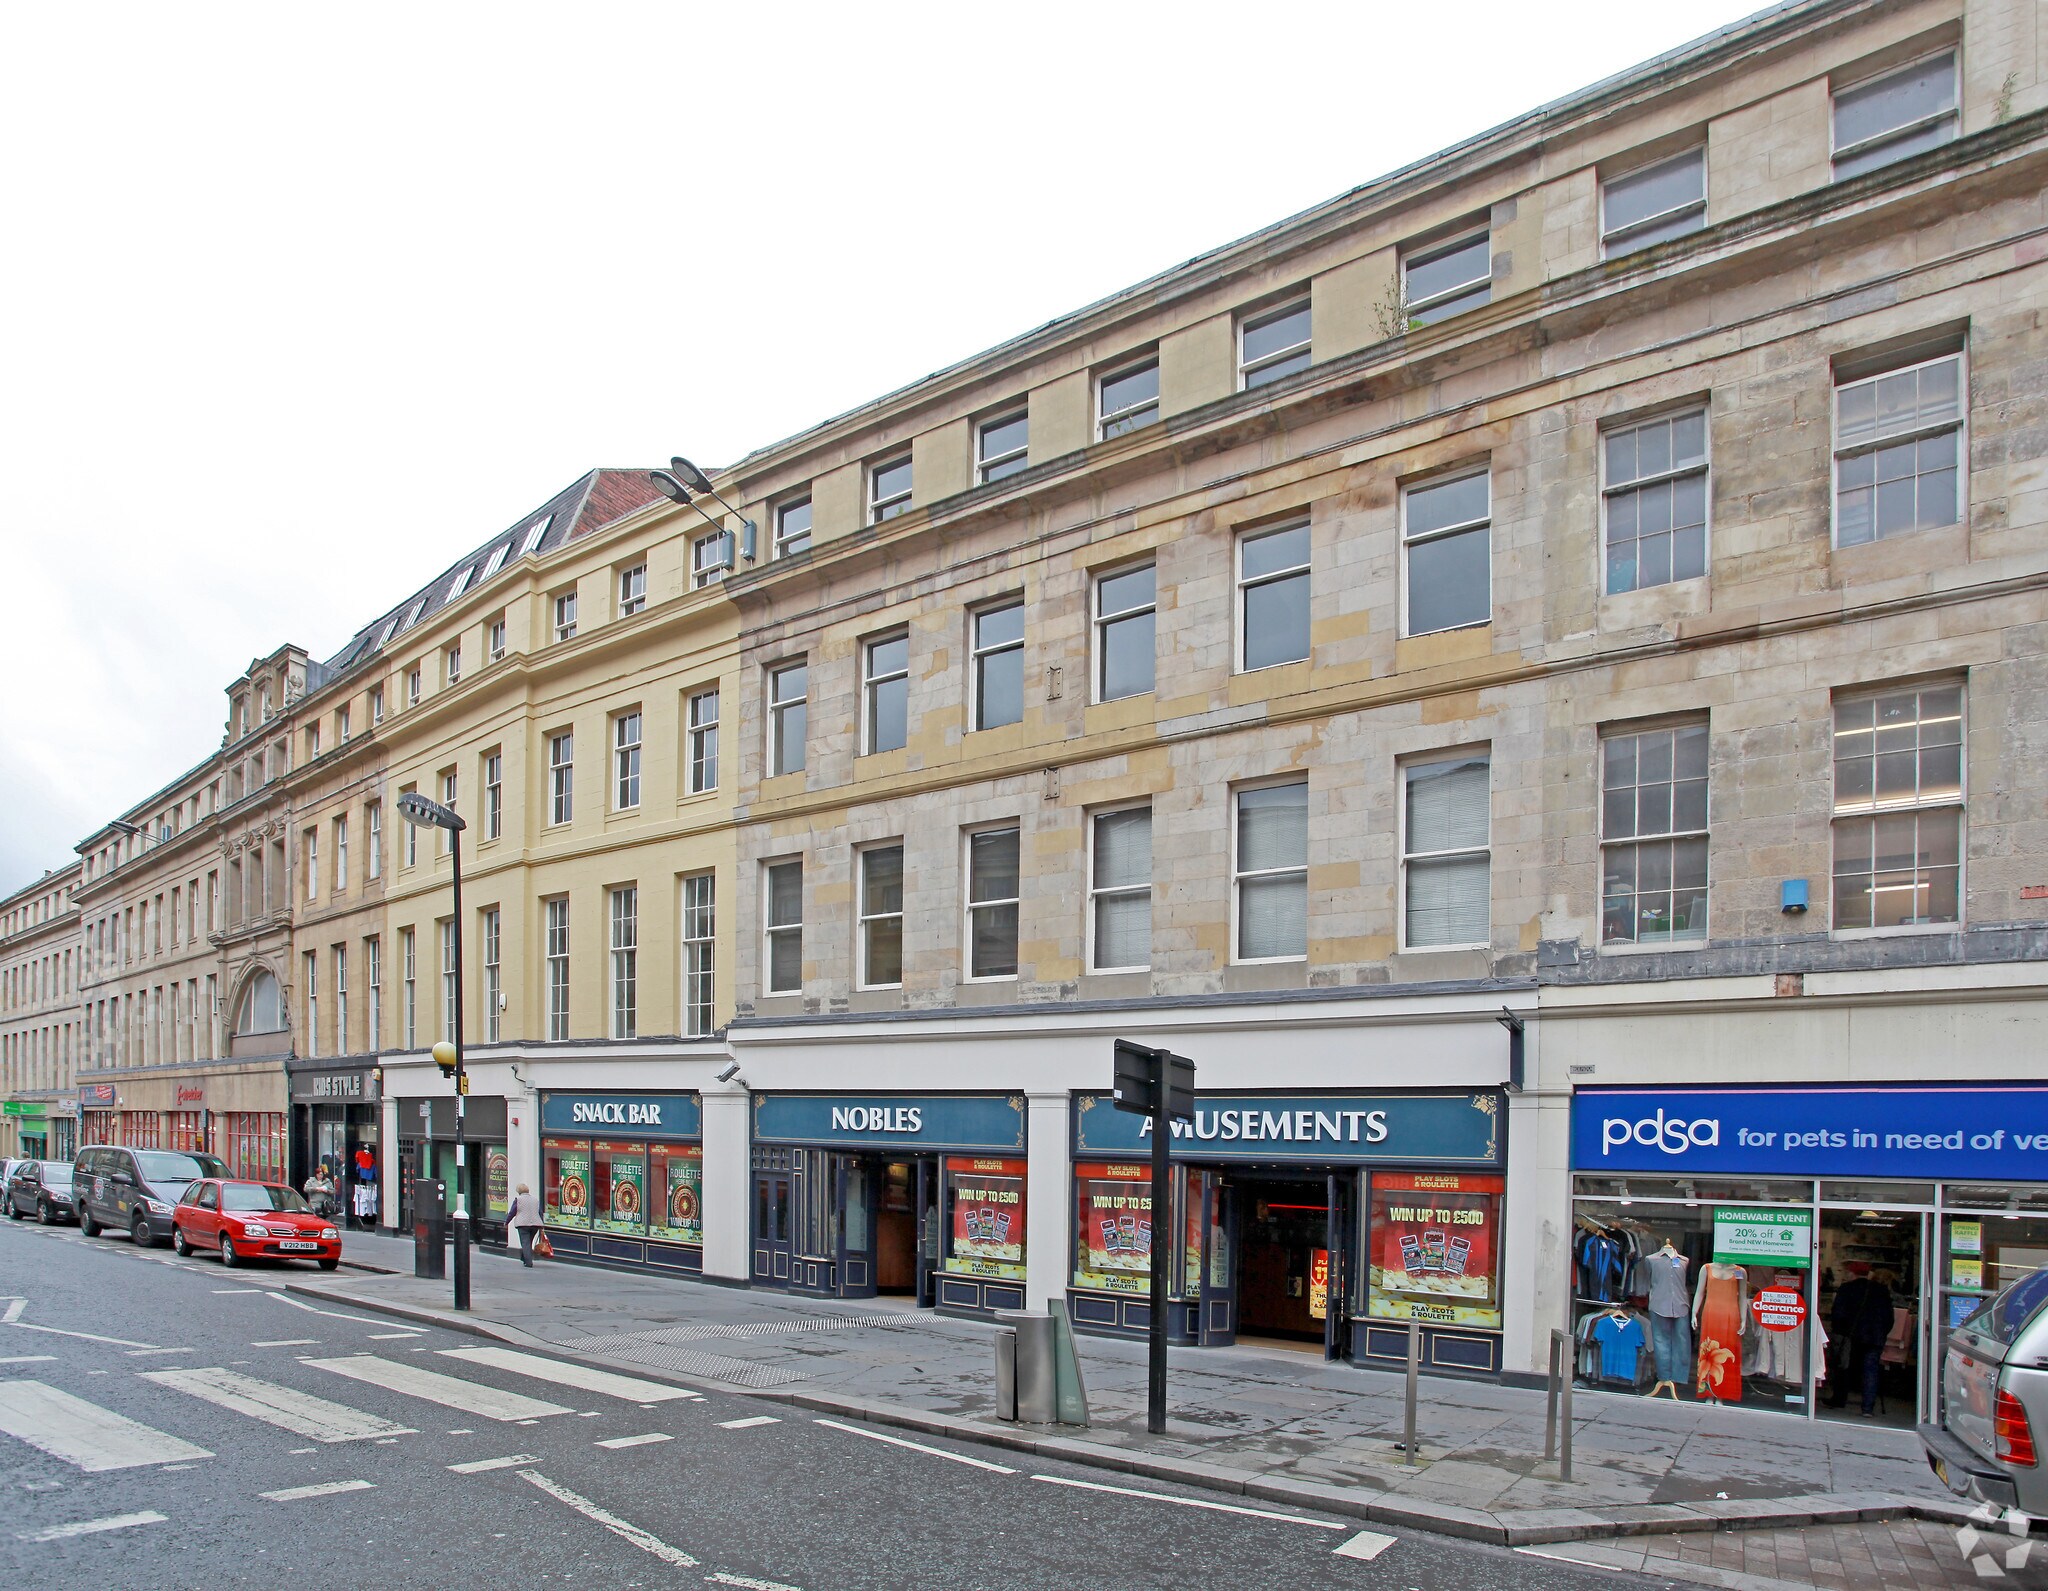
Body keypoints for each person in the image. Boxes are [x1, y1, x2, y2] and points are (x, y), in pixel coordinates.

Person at [508, 1182, 543, 1267]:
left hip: (523, 1224)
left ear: (518, 1191)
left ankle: (528, 1262)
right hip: (535, 1224)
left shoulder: (518, 1199)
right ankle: (524, 1258)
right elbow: (540, 1212)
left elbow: (512, 1212)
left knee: (525, 1243)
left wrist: (506, 1222)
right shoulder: (535, 1200)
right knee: (528, 1242)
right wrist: (542, 1224)